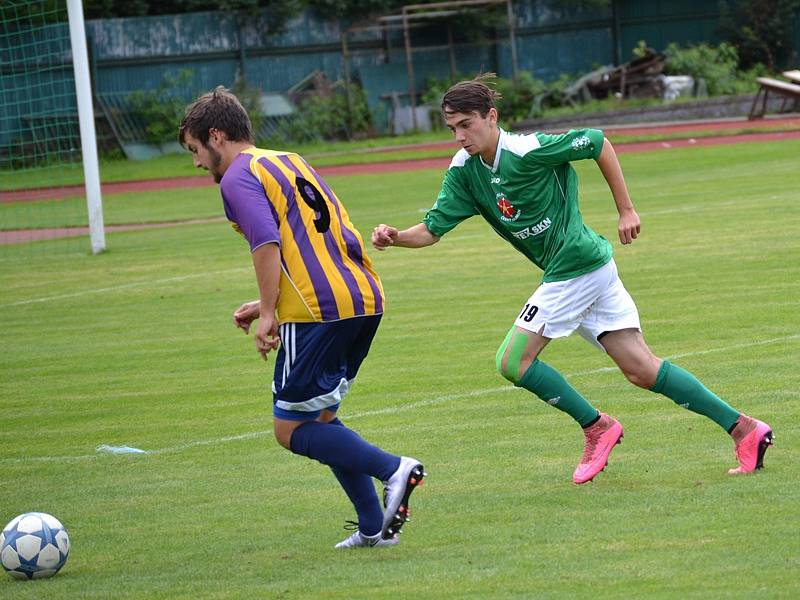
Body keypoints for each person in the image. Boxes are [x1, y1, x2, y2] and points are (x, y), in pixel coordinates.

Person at [371, 74, 773, 484]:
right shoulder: (464, 171)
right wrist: (396, 237)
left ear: (491, 117)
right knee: (642, 370)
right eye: (452, 128)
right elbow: (432, 230)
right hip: (587, 267)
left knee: (512, 361)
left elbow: (597, 142)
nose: (459, 136)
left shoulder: (527, 150)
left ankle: (596, 426)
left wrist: (626, 210)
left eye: (466, 125)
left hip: (575, 264)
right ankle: (745, 429)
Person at [179, 86, 424, 547]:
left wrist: (271, 311)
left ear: (216, 135)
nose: (196, 162)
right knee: (322, 419)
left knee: (289, 428)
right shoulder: (288, 159)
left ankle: (394, 470)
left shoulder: (236, 176)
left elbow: (266, 242)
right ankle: (374, 527)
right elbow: (313, 240)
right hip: (362, 297)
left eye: (195, 150)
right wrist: (266, 301)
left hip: (318, 310)